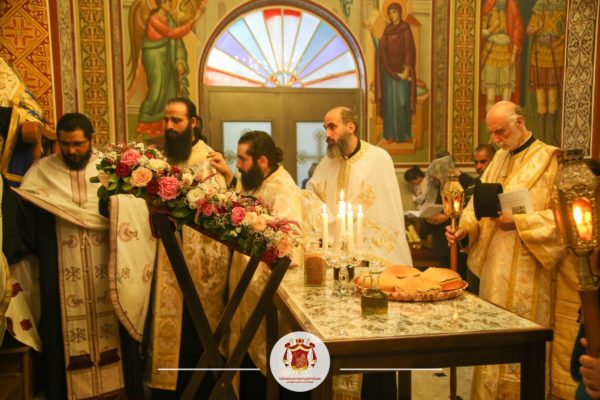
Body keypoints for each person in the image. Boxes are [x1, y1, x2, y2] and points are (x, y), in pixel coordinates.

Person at [7, 113, 144, 399]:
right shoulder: (41, 172)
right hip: (60, 274)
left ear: (92, 139)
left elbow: (136, 215)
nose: (71, 150)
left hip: (108, 269)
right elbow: (25, 220)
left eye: (78, 144)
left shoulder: (111, 171)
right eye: (65, 144)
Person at [445, 101, 569, 398]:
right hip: (493, 274)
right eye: (492, 133)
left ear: (520, 122)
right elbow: (475, 206)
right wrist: (465, 229)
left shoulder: (550, 160)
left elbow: (565, 219)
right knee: (492, 346)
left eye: (500, 132)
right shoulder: (498, 159)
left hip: (530, 272)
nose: (496, 139)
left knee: (520, 351)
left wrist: (521, 222)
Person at [307, 106, 412, 399]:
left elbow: (387, 213)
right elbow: (312, 199)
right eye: (325, 128)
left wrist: (369, 252)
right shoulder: (327, 163)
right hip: (336, 267)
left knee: (374, 338)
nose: (327, 134)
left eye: (332, 127)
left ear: (350, 126)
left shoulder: (379, 158)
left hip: (371, 266)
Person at [209, 131, 304, 398]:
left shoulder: (284, 190)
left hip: (265, 293)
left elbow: (288, 248)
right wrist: (229, 178)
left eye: (242, 159)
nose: (238, 165)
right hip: (246, 288)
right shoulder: (257, 180)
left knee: (264, 366)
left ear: (262, 160)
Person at [146, 97, 231, 398]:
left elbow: (222, 213)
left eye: (177, 120)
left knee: (197, 331)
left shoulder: (210, 161)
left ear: (193, 123)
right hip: (165, 258)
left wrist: (228, 178)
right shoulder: (158, 160)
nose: (169, 126)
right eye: (166, 120)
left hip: (201, 267)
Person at [134, 0, 198, 138]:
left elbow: (178, 43)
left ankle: (160, 129)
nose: (170, 5)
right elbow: (172, 33)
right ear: (161, 3)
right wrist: (191, 23)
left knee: (170, 91)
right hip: (154, 55)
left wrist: (179, 61)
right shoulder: (153, 19)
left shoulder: (170, 20)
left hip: (167, 57)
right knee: (156, 90)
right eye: (168, 2)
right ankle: (143, 127)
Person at [365, 1, 416, 143]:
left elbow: (409, 50)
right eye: (390, 13)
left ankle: (405, 135)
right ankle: (391, 135)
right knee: (390, 104)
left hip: (402, 72)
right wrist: (372, 32)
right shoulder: (387, 31)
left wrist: (407, 70)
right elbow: (380, 48)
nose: (392, 15)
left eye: (394, 12)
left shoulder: (406, 29)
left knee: (402, 103)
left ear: (400, 12)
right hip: (388, 73)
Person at [527, 0, 566, 146]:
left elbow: (566, 32)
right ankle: (542, 140)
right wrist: (536, 27)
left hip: (556, 53)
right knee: (541, 102)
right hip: (539, 54)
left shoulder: (563, 9)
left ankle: (552, 137)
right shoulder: (539, 7)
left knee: (553, 101)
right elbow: (529, 30)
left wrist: (556, 42)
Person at [480, 0, 523, 113]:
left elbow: (518, 30)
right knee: (490, 97)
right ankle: (491, 123)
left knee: (506, 100)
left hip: (507, 54)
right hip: (491, 52)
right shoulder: (489, 6)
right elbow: (481, 31)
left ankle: (504, 123)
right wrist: (492, 28)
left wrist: (513, 55)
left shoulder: (512, 7)